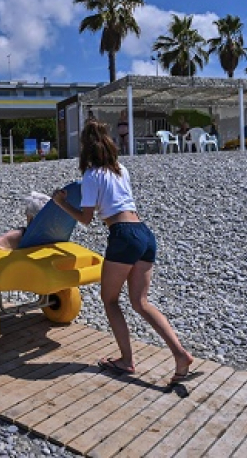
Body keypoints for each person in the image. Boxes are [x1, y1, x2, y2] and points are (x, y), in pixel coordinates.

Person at [52, 120, 193, 385]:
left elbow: (85, 219)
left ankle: (127, 361)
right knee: (141, 302)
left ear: (85, 148)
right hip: (144, 233)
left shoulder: (91, 176)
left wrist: (60, 203)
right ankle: (180, 354)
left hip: (123, 236)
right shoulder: (121, 170)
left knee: (110, 300)